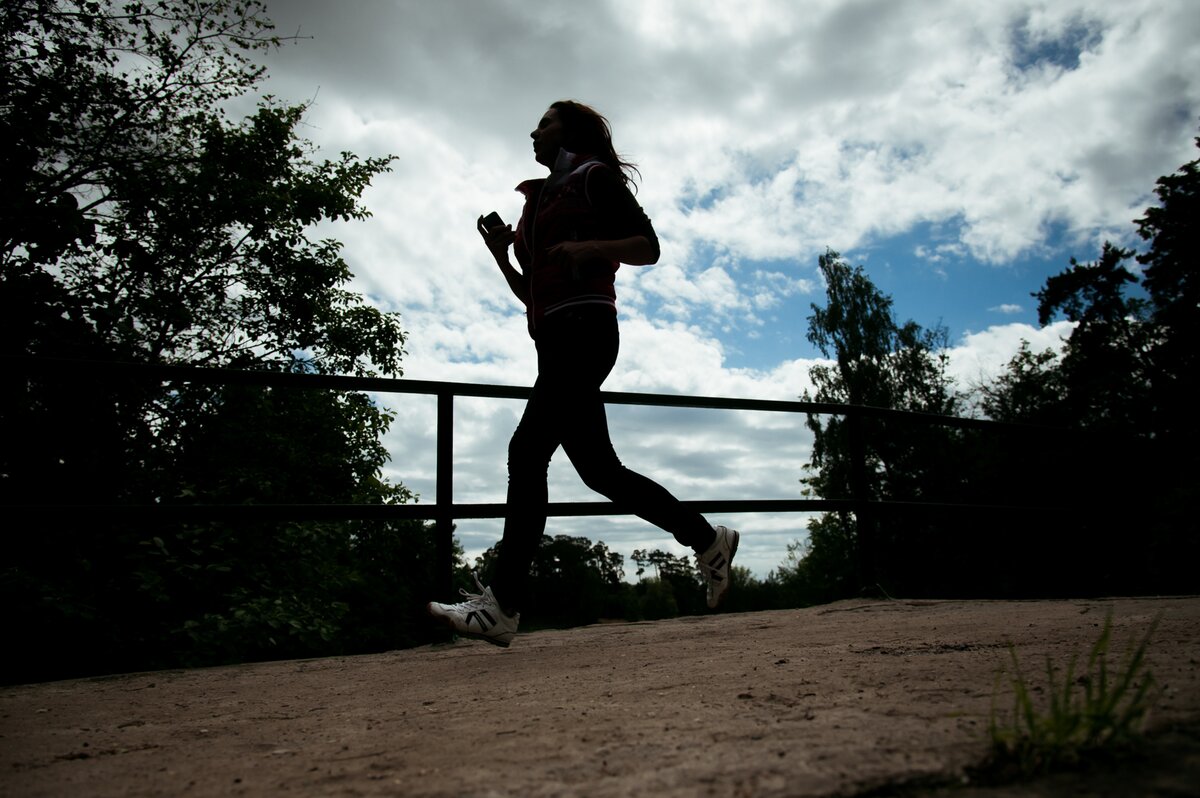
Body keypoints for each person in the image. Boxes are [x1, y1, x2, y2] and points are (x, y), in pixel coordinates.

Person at [428, 100, 739, 647]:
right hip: (554, 342)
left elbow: (649, 247)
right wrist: (502, 255)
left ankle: (502, 605)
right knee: (601, 472)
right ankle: (707, 538)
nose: (533, 131)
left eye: (544, 123)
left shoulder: (594, 178)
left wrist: (593, 246)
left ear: (569, 131)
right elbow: (531, 291)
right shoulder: (537, 203)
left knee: (527, 453)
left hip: (586, 332)